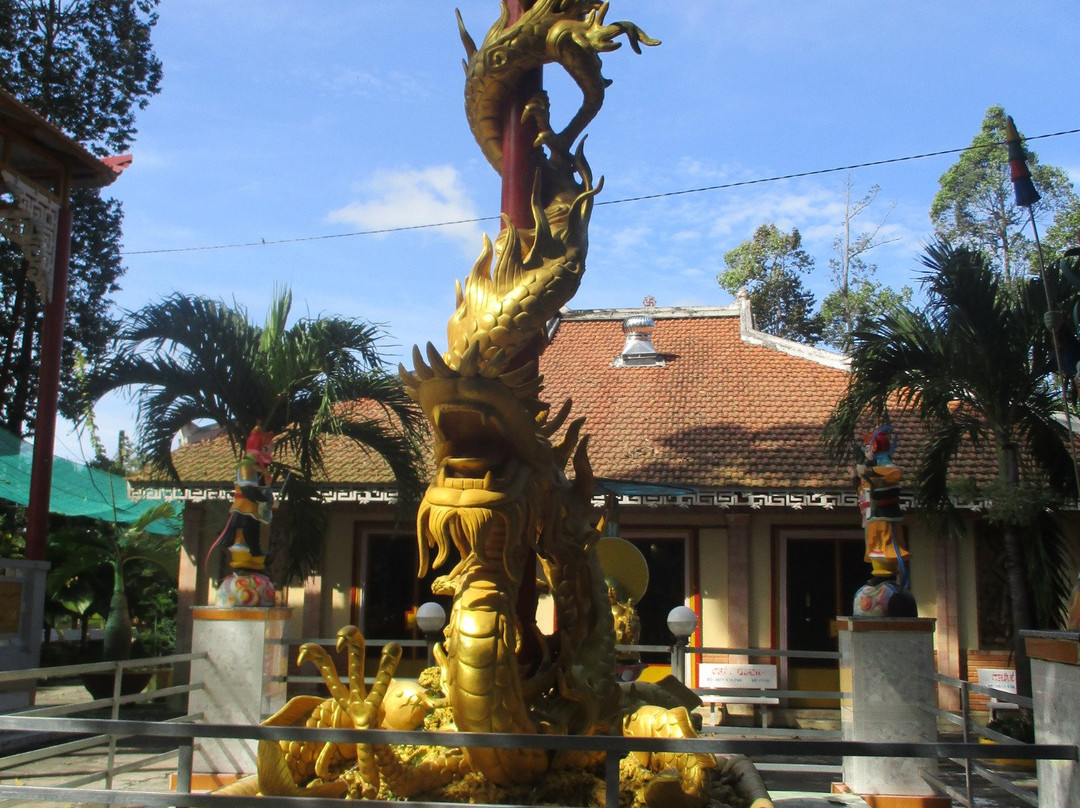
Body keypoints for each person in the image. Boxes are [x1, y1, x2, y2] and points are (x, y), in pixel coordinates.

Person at [852, 426, 916, 617]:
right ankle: (878, 573)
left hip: (886, 517)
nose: (867, 452)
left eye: (869, 448)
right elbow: (863, 490)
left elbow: (895, 474)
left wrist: (869, 472)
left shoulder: (887, 468)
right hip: (874, 517)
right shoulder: (870, 469)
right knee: (873, 546)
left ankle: (886, 574)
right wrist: (856, 478)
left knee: (885, 545)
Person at [222, 424, 276, 571]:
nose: (269, 454)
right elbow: (248, 489)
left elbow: (261, 488)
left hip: (255, 509)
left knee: (255, 534)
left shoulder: (258, 468)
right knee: (244, 533)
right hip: (244, 506)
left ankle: (256, 554)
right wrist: (264, 500)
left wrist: (268, 495)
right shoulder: (246, 466)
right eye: (267, 449)